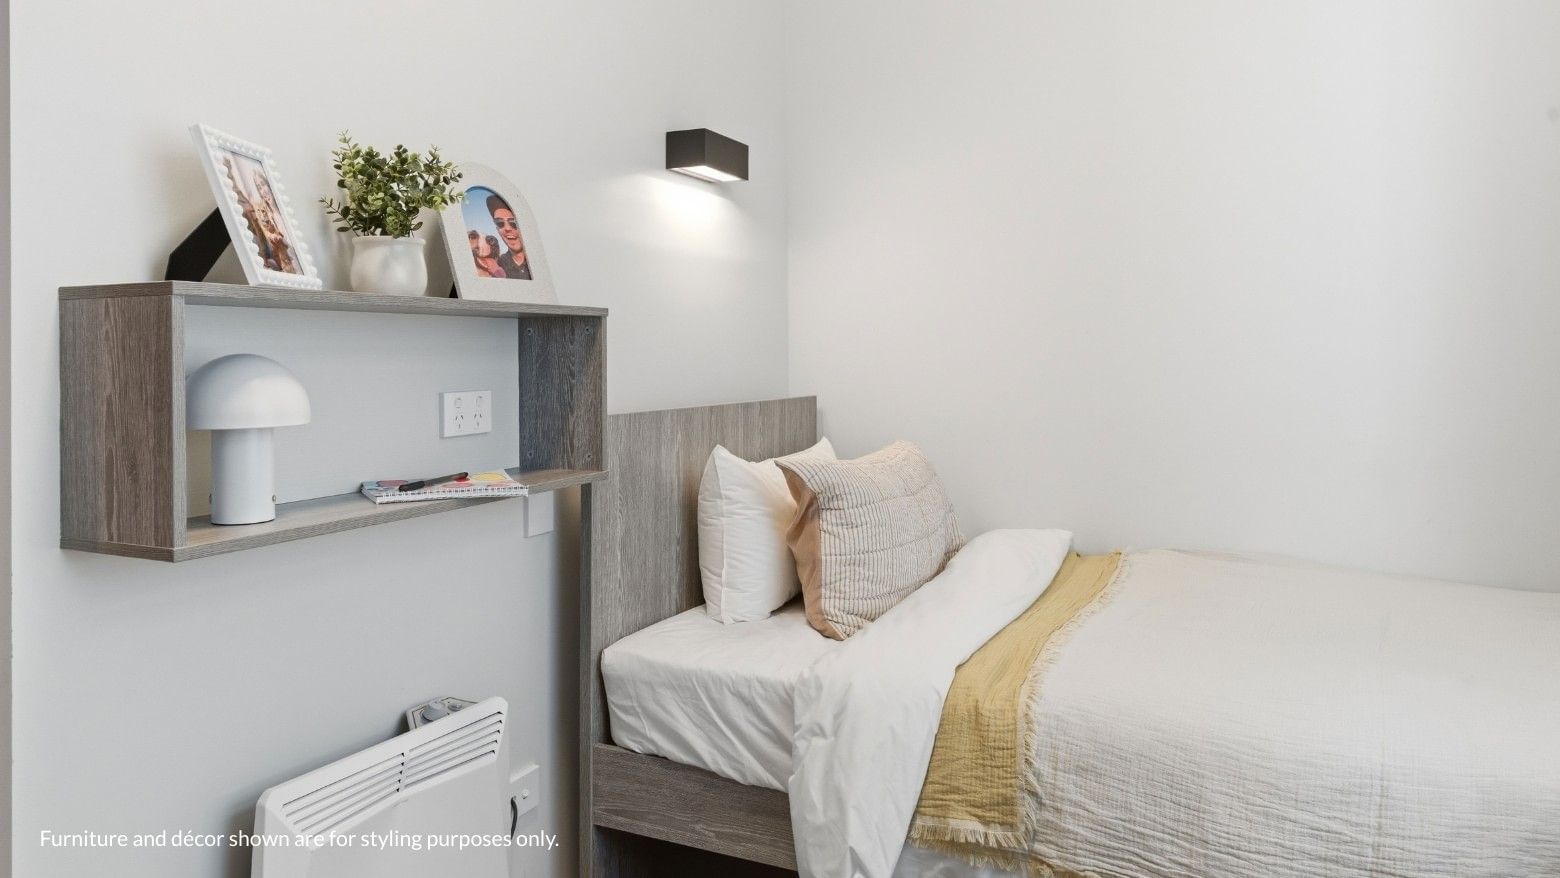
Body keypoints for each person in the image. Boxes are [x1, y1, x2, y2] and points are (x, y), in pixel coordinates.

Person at [486, 194, 532, 280]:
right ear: (497, 230)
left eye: (514, 222)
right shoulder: (497, 266)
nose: (507, 228)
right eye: (500, 223)